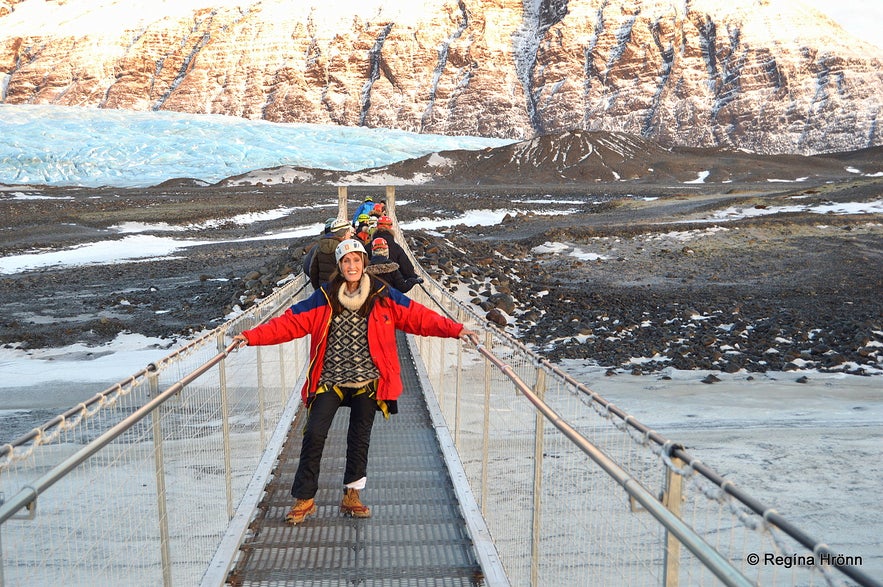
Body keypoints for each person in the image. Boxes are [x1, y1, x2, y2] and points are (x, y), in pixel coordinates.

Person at [233, 239, 479, 525]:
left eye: (357, 261)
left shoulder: (383, 295)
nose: (352, 266)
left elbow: (418, 317)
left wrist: (456, 330)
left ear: (364, 264)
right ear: (340, 266)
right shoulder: (324, 297)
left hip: (368, 380)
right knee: (314, 433)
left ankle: (352, 495)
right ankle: (305, 498)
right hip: (329, 378)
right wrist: (251, 336)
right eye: (346, 261)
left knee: (359, 438)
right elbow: (290, 323)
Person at [370, 216, 420, 283]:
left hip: (370, 287)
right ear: (390, 227)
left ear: (377, 226)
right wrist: (414, 278)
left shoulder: (367, 247)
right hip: (392, 288)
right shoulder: (397, 248)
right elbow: (407, 268)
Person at [308, 218, 353, 289]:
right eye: (349, 231)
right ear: (344, 233)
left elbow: (313, 271)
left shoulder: (320, 246)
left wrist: (318, 289)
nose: (350, 234)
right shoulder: (345, 249)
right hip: (341, 289)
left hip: (324, 290)